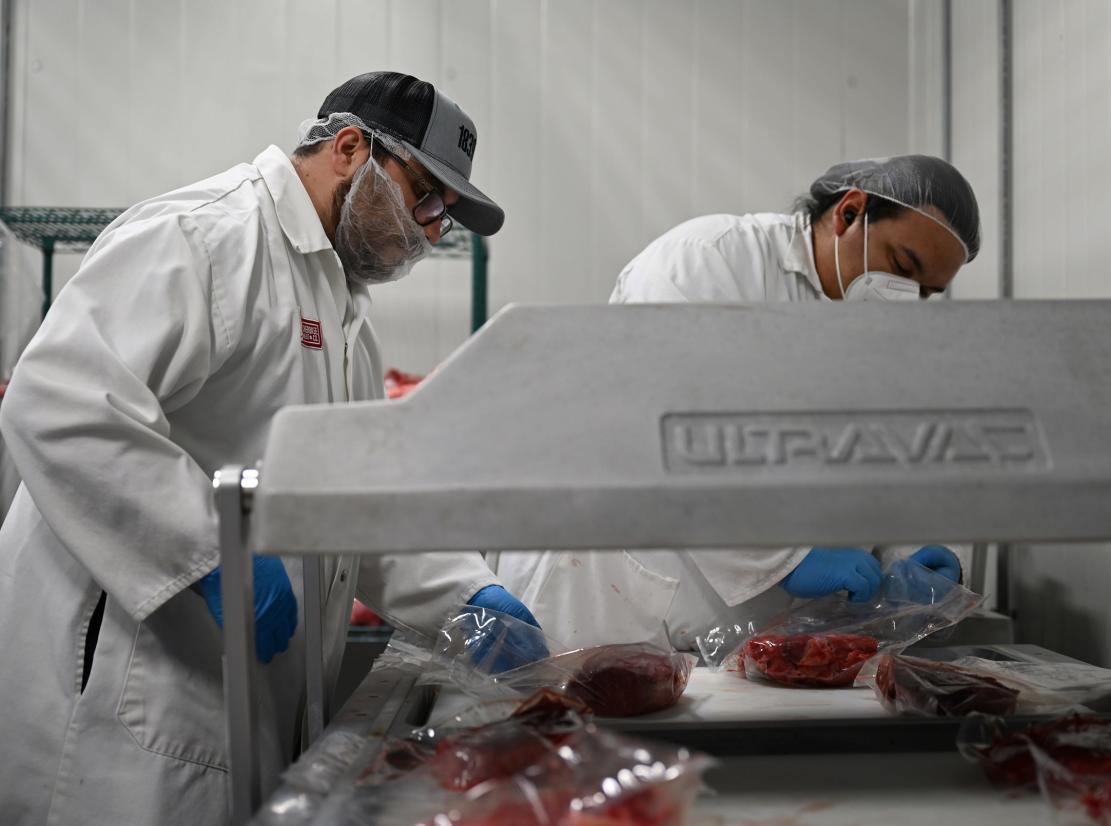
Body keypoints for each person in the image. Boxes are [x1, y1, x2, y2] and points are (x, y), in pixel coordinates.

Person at [0, 71, 542, 826]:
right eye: (425, 197)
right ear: (350, 149)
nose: (431, 229)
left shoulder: (343, 310)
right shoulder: (211, 238)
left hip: (232, 708)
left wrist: (466, 598)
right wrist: (209, 552)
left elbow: (354, 508)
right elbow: (58, 399)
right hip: (124, 704)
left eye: (444, 213)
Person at [493, 155, 981, 651]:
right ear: (850, 213)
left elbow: (908, 452)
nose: (906, 298)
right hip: (618, 590)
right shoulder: (707, 260)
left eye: (926, 292)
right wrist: (785, 557)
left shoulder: (893, 341)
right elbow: (666, 428)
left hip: (756, 627)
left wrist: (925, 547)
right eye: (902, 267)